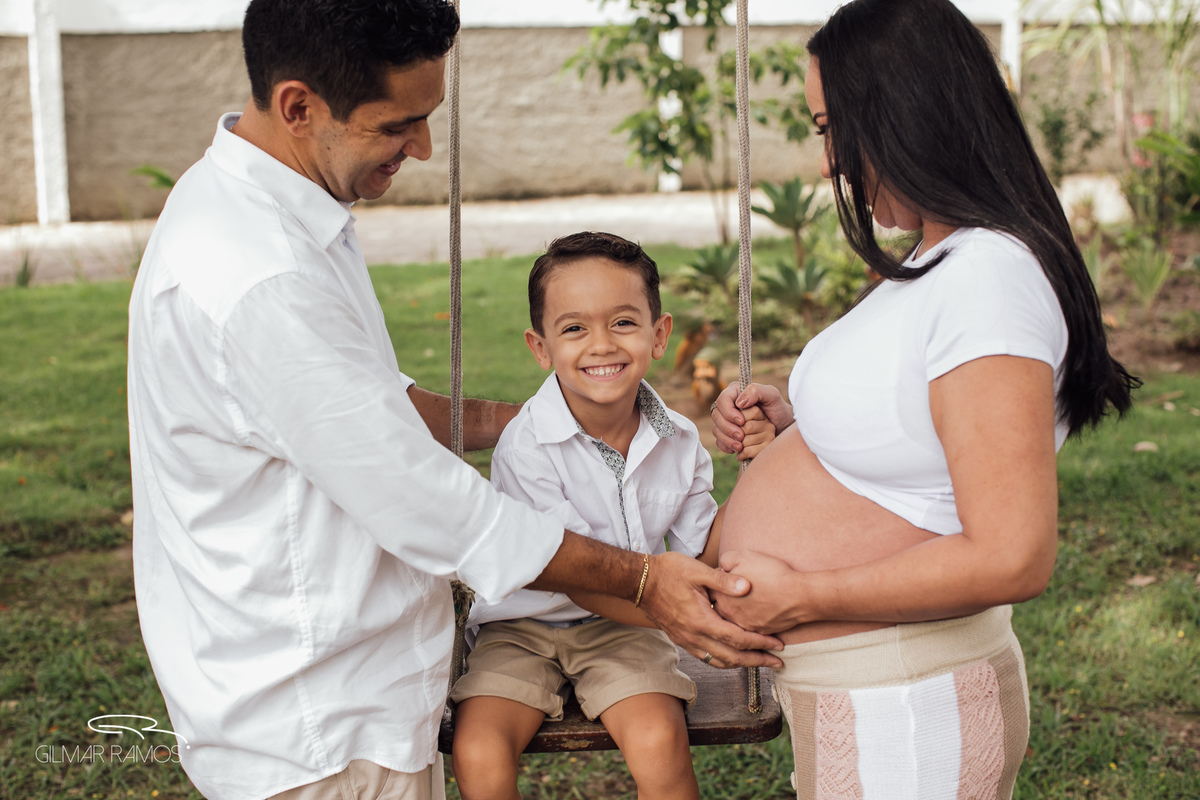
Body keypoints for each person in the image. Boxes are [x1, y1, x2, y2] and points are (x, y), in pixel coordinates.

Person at [125, 3, 782, 799]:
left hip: (341, 697)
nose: (424, 147)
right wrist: (643, 581)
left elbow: (373, 406)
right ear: (300, 106)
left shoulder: (278, 212)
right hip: (319, 727)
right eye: (399, 124)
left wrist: (545, 419)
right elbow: (438, 508)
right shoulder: (261, 277)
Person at [707, 1, 1139, 797]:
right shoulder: (948, 258)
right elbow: (932, 437)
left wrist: (805, 594)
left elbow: (1013, 552)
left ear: (905, 112)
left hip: (907, 709)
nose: (832, 160)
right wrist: (809, 426)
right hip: (879, 698)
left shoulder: (988, 277)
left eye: (835, 126)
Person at [446, 233, 774, 800]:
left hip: (624, 628)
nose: (601, 344)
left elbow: (705, 552)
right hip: (518, 630)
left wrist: (760, 466)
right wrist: (682, 619)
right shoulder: (527, 446)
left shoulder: (680, 440)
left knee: (657, 741)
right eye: (574, 328)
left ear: (659, 333)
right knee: (479, 750)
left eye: (623, 322)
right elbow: (570, 571)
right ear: (541, 347)